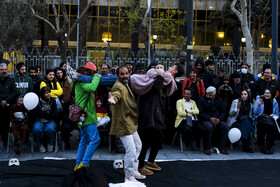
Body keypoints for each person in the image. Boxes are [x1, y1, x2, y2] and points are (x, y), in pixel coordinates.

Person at [108, 66, 145, 182]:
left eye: (126, 73)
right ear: (118, 75)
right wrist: (113, 99)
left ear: (129, 73)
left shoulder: (126, 84)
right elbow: (116, 94)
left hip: (130, 122)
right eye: (122, 74)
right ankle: (128, 175)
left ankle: (134, 170)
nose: (124, 76)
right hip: (122, 123)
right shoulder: (118, 86)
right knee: (131, 150)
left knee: (138, 146)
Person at [74, 62, 101, 171]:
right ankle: (84, 163)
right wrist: (97, 77)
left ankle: (77, 164)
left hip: (81, 114)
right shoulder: (82, 82)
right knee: (95, 139)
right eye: (93, 73)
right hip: (87, 114)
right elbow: (92, 87)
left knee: (84, 140)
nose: (94, 74)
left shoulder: (78, 81)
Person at [197, 86, 229, 155]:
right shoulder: (202, 100)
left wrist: (219, 119)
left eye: (210, 95)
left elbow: (223, 111)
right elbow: (200, 113)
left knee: (225, 126)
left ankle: (221, 147)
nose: (208, 96)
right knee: (209, 127)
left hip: (217, 119)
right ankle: (207, 148)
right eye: (207, 94)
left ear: (214, 95)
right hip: (205, 119)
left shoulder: (218, 100)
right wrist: (209, 118)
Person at [253, 88, 279, 154]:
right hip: (261, 119)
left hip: (270, 119)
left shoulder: (274, 102)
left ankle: (269, 146)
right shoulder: (259, 100)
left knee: (272, 127)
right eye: (265, 93)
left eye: (268, 93)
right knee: (264, 126)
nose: (266, 94)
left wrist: (274, 115)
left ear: (271, 94)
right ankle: (262, 146)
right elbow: (255, 113)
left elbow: (277, 114)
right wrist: (258, 106)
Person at [33, 87, 58, 153]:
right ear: (42, 93)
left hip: (50, 120)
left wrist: (45, 114)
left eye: (49, 92)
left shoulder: (53, 101)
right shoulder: (37, 101)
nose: (48, 94)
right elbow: (36, 113)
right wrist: (47, 112)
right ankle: (39, 144)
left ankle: (50, 143)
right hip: (39, 120)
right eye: (46, 93)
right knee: (36, 129)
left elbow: (55, 113)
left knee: (50, 129)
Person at [0, 63, 17, 147]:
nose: (4, 71)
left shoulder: (11, 80)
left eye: (5, 69)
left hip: (8, 105)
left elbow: (14, 92)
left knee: (7, 124)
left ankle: (6, 141)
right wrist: (1, 101)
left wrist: (6, 101)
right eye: (2, 70)